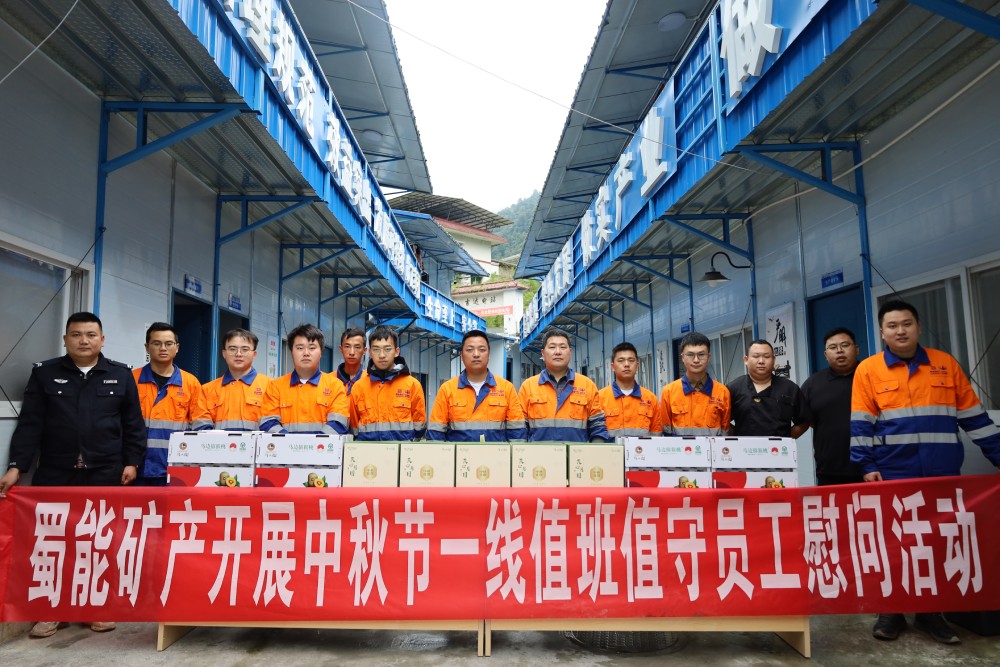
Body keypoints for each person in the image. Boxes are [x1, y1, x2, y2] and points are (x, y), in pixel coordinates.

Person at [851, 300, 1000, 644]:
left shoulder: (945, 364)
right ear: (882, 332)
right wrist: (866, 465)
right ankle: (891, 611)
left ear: (918, 327)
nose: (900, 331)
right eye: (892, 326)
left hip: (941, 472)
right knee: (894, 543)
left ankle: (931, 614)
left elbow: (975, 419)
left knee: (936, 543)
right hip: (893, 472)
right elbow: (861, 423)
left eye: (907, 324)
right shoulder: (869, 370)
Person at [0, 312, 146, 638]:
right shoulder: (45, 373)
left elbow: (133, 425)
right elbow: (30, 424)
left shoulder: (120, 375)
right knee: (54, 542)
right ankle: (52, 609)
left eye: (91, 335)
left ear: (102, 339)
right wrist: (16, 467)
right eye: (76, 334)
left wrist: (132, 462)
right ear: (65, 339)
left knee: (99, 541)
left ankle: (97, 606)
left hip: (105, 472)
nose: (84, 340)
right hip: (56, 472)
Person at [133, 322, 211, 485]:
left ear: (177, 347)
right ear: (147, 347)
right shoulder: (132, 379)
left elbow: (201, 426)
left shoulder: (190, 383)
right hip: (136, 468)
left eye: (168, 344)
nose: (163, 348)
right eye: (156, 343)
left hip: (176, 469)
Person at [427, 330, 526, 441]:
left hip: (496, 453)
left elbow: (517, 434)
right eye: (470, 350)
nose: (476, 354)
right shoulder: (447, 389)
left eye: (482, 350)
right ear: (461, 356)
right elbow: (436, 434)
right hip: (460, 453)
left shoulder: (507, 388)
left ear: (489, 355)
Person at [517, 329, 608, 442]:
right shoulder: (528, 387)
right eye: (552, 347)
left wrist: (595, 449)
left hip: (576, 453)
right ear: (543, 353)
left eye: (563, 347)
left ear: (570, 352)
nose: (558, 352)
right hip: (539, 453)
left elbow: (598, 426)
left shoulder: (587, 385)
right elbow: (520, 428)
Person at [259, 324, 349, 434]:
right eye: (300, 348)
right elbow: (268, 422)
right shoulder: (276, 387)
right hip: (286, 446)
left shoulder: (335, 386)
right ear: (292, 351)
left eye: (312, 348)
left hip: (322, 445)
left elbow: (339, 422)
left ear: (321, 352)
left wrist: (315, 442)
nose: (306, 353)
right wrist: (290, 442)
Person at [800, 327, 864, 485]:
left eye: (845, 345)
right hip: (829, 471)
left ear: (857, 349)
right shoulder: (813, 384)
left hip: (872, 469)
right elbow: (807, 421)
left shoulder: (871, 377)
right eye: (833, 347)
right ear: (825, 354)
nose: (839, 351)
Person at [350, 325, 426, 440]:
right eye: (376, 349)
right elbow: (354, 429)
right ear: (370, 352)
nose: (382, 355)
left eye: (387, 349)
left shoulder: (412, 385)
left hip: (401, 450)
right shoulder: (359, 387)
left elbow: (419, 428)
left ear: (396, 352)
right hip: (367, 450)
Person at [727, 339, 811, 438]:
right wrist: (738, 438)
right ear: (746, 360)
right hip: (744, 447)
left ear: (774, 359)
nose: (761, 361)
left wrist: (786, 439)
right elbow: (722, 420)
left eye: (766, 357)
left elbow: (804, 421)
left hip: (779, 447)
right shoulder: (733, 388)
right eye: (756, 356)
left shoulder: (790, 388)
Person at [659, 332, 730, 436]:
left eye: (701, 354)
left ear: (708, 357)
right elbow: (666, 434)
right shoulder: (669, 392)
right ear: (682, 357)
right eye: (690, 355)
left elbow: (725, 434)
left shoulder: (722, 392)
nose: (696, 360)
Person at [202, 328, 271, 431]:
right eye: (232, 349)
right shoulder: (207, 390)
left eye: (245, 349)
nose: (238, 354)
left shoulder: (270, 387)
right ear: (224, 353)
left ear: (254, 354)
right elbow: (202, 428)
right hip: (219, 442)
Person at [598, 341, 663, 437]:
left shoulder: (650, 399)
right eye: (621, 360)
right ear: (612, 366)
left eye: (631, 360)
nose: (626, 364)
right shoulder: (599, 398)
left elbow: (656, 435)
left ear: (637, 365)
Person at [336, 327, 368, 395]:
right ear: (341, 349)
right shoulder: (328, 380)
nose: (352, 352)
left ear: (364, 350)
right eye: (347, 346)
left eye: (357, 347)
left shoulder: (370, 381)